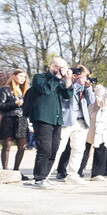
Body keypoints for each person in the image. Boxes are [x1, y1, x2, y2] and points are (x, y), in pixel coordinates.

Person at [29, 58, 74, 188]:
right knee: (44, 149)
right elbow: (46, 89)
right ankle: (39, 178)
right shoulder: (39, 77)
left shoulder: (59, 81)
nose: (63, 70)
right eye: (61, 67)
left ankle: (45, 176)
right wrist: (58, 76)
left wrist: (68, 81)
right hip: (43, 118)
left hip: (56, 119)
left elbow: (67, 96)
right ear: (53, 66)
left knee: (54, 149)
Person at [47, 65, 95, 184]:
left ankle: (72, 174)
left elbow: (92, 101)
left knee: (79, 149)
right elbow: (68, 97)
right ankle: (45, 174)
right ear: (74, 75)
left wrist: (88, 88)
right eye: (83, 76)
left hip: (81, 121)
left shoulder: (84, 87)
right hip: (67, 120)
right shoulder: (64, 83)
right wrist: (78, 84)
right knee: (59, 148)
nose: (85, 79)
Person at [0, 69, 31, 179]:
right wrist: (15, 103)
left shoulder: (24, 91)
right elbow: (1, 105)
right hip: (9, 119)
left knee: (22, 146)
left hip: (22, 119)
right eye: (21, 76)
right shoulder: (5, 89)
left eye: (24, 77)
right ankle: (4, 171)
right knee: (7, 146)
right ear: (13, 76)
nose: (23, 78)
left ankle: (16, 171)